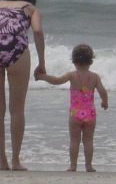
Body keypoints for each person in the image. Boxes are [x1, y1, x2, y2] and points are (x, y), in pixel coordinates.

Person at [0, 0, 46, 171]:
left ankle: (2, 161)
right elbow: (38, 32)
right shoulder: (31, 8)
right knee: (17, 109)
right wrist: (42, 63)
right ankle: (16, 161)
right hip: (17, 49)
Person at [35, 44, 108, 172]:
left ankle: (73, 165)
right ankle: (88, 166)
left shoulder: (72, 75)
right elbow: (102, 91)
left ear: (74, 60)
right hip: (90, 113)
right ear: (91, 61)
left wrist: (42, 77)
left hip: (75, 114)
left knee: (74, 140)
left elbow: (57, 81)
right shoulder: (95, 77)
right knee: (88, 140)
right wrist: (105, 102)